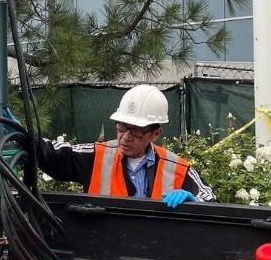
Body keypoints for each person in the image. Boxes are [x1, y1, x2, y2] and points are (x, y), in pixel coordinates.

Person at [35, 84, 215, 206]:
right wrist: (22, 136)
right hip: (106, 251)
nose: (125, 137)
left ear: (155, 133)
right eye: (122, 127)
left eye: (136, 130)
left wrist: (194, 201)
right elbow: (52, 154)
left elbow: (210, 200)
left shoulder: (177, 168)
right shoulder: (96, 156)